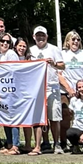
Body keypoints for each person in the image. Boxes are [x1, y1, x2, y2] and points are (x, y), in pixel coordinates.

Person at [31, 26, 65, 154]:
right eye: (38, 35)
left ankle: (57, 143)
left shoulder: (54, 49)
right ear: (34, 37)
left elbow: (63, 66)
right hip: (37, 87)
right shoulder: (31, 50)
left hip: (52, 86)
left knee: (54, 117)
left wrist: (53, 64)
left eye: (42, 35)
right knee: (40, 117)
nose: (40, 38)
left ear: (46, 36)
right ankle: (43, 143)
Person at [59, 31, 83, 135]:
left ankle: (80, 141)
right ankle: (64, 143)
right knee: (65, 116)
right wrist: (69, 89)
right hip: (65, 91)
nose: (76, 41)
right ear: (67, 41)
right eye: (73, 39)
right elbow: (58, 74)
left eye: (78, 39)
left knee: (81, 116)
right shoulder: (62, 54)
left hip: (82, 91)